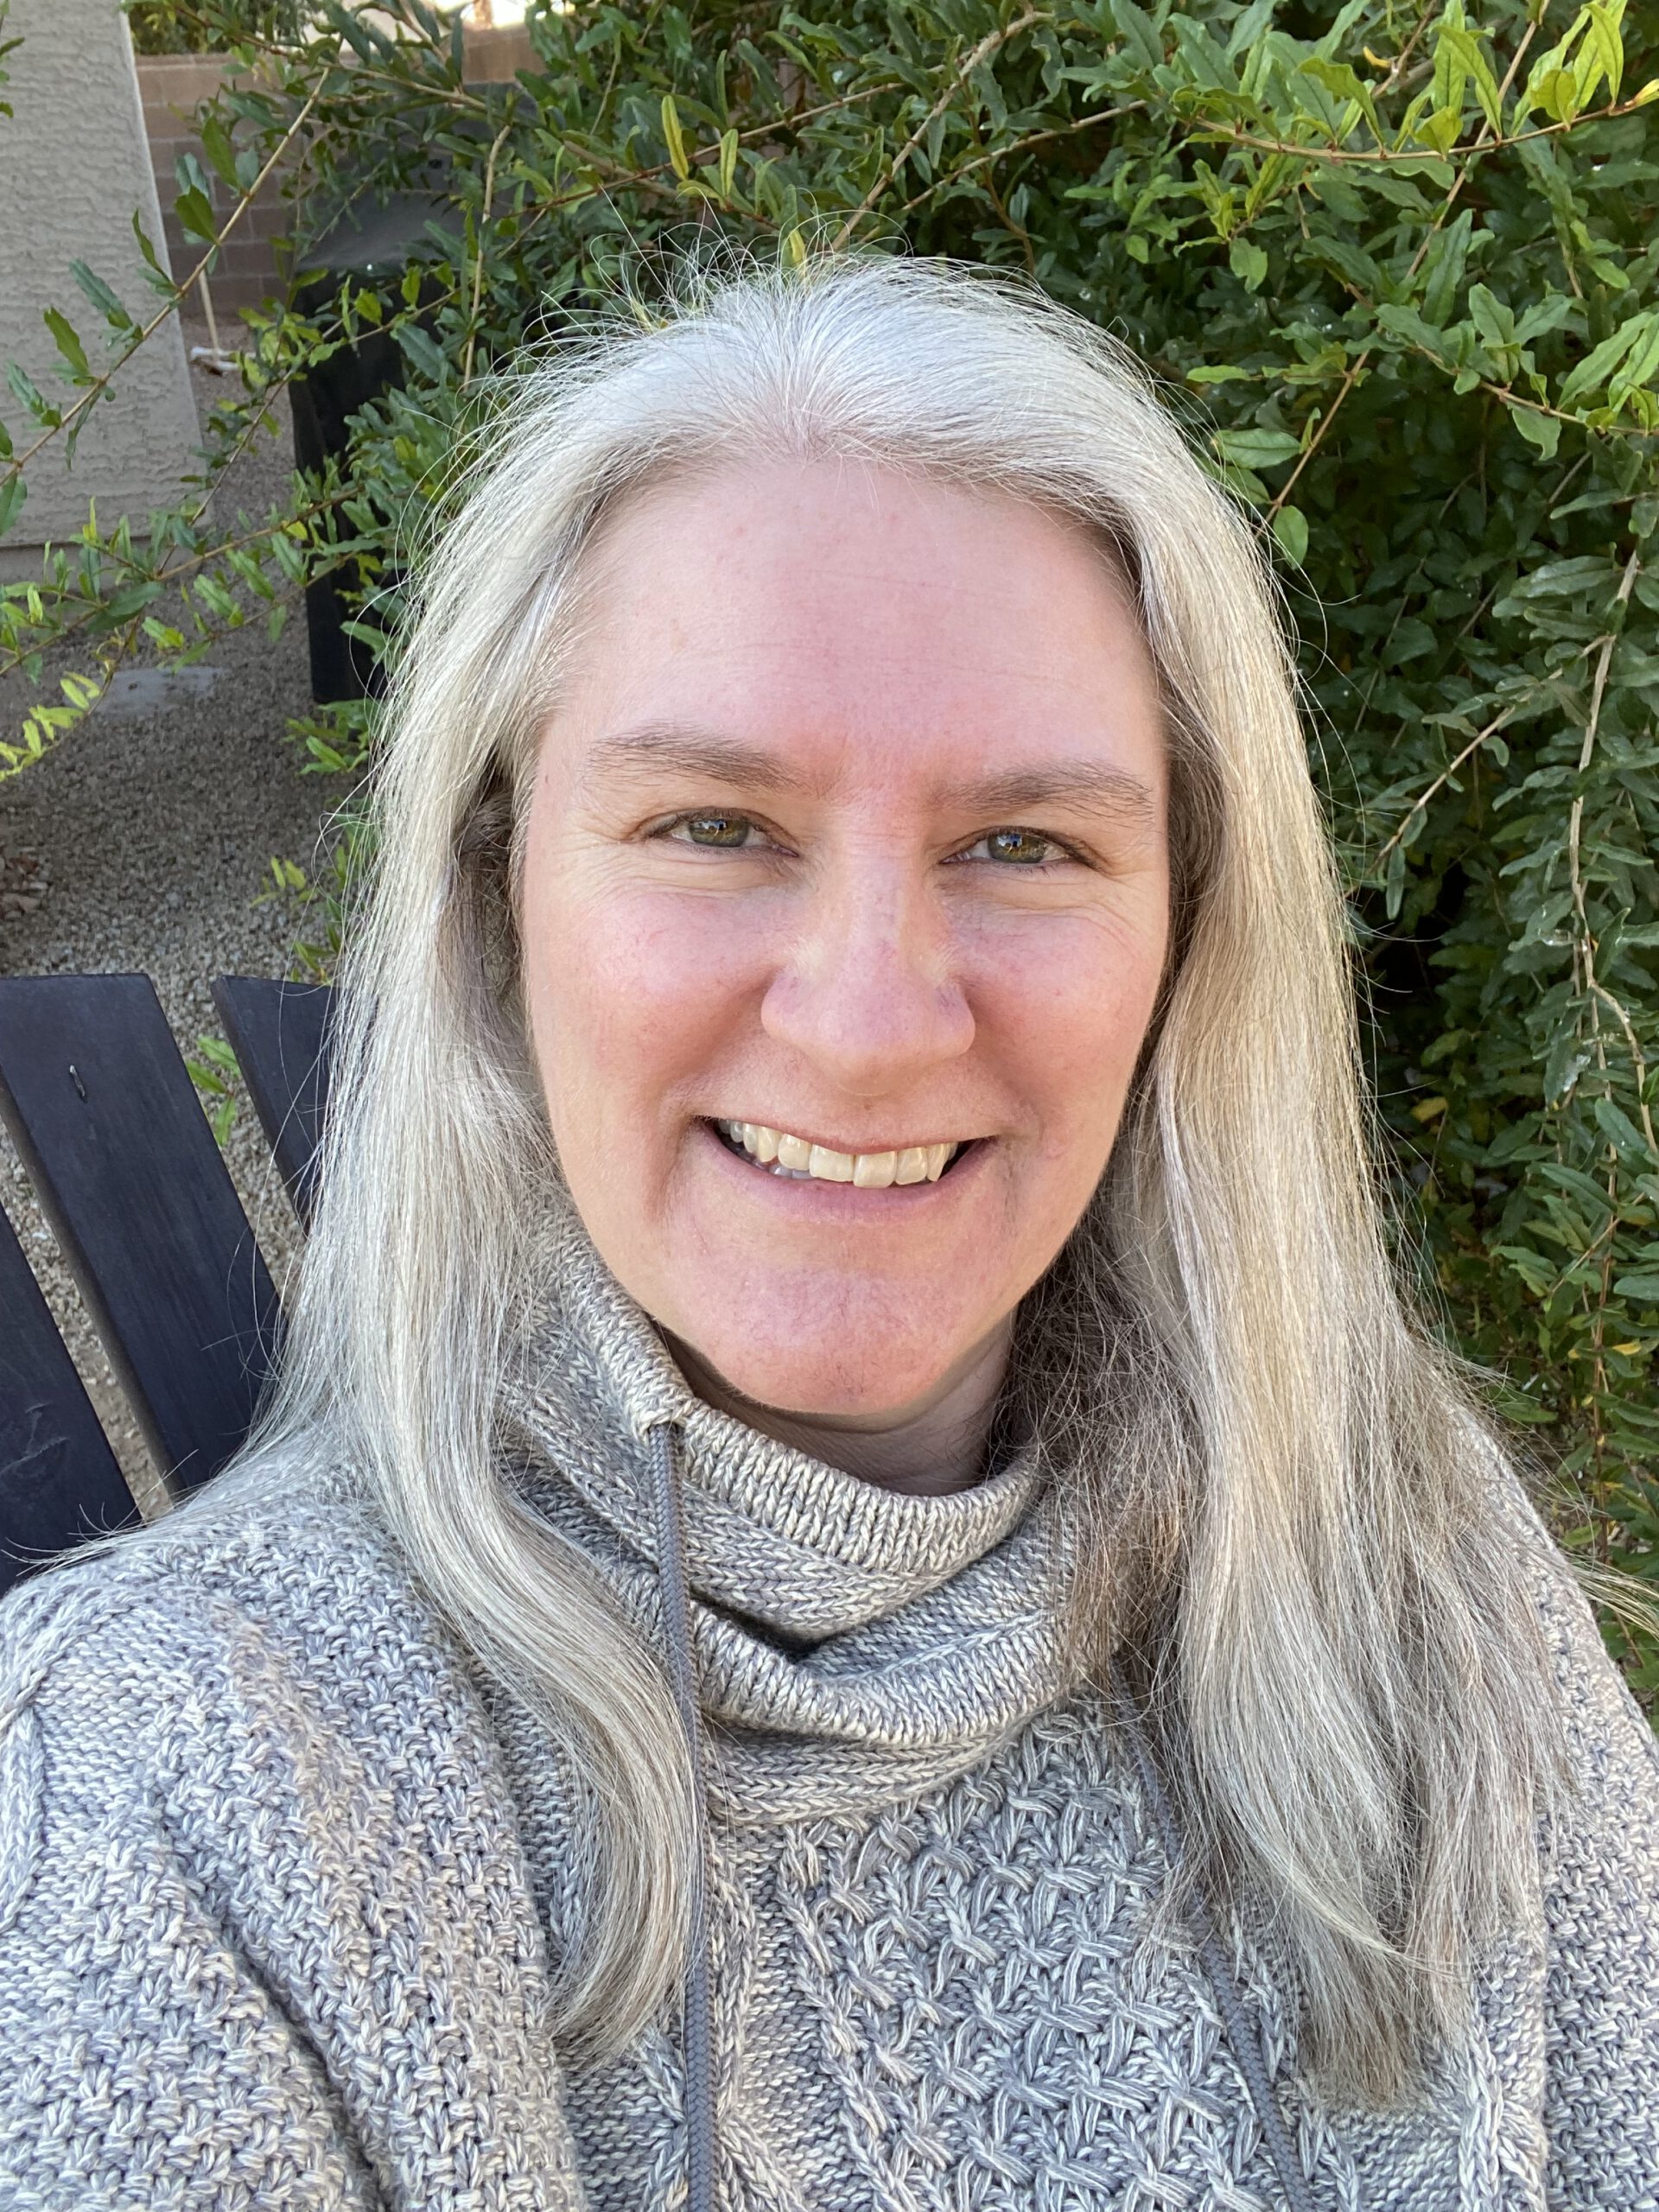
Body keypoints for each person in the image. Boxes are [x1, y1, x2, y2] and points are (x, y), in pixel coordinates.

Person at [2, 255, 1655, 2212]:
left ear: (1187, 941)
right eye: (715, 822)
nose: (871, 1023)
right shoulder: (170, 1798)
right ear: (493, 898)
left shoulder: (1401, 1550)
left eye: (1024, 845)